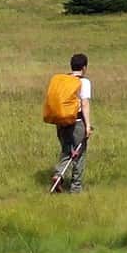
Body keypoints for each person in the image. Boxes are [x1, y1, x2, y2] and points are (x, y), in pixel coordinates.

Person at [43, 53, 93, 193]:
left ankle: (58, 175)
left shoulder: (63, 80)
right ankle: (76, 187)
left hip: (61, 121)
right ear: (84, 67)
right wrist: (88, 125)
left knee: (66, 150)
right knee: (79, 153)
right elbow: (85, 104)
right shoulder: (84, 82)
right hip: (76, 122)